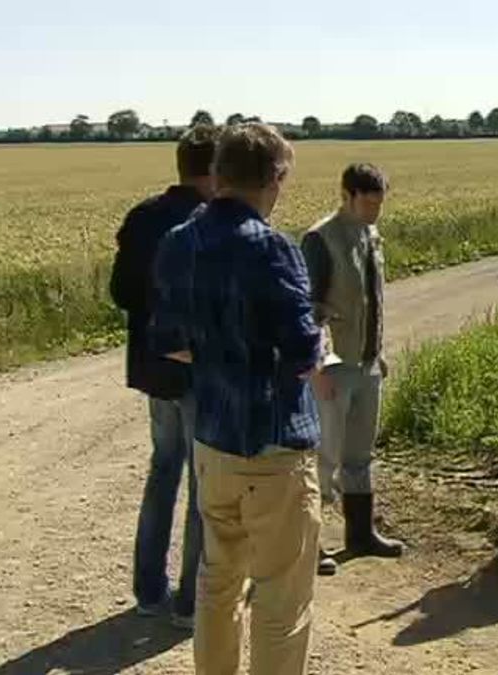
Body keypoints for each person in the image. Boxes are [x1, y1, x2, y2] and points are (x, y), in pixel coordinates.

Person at [149, 123, 323, 675]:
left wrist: (221, 354)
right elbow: (301, 354)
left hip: (213, 444)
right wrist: (321, 343)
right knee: (280, 599)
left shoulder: (178, 242)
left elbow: (167, 344)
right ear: (275, 178)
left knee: (216, 585)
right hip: (273, 447)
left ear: (218, 174)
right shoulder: (275, 248)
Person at [109, 124, 217, 629]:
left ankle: (149, 590)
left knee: (162, 472)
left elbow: (121, 293)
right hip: (196, 369)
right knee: (202, 485)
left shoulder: (141, 216)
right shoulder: (206, 223)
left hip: (152, 369)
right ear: (214, 172)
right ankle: (191, 603)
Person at [301, 164, 404, 576]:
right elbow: (308, 310)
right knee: (325, 457)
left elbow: (372, 301)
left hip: (366, 364)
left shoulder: (371, 234)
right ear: (346, 196)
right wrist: (316, 366)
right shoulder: (320, 239)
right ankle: (310, 545)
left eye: (380, 203)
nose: (375, 211)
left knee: (360, 454)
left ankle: (360, 534)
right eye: (368, 203)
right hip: (333, 368)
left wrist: (376, 352)